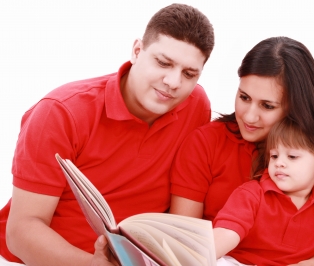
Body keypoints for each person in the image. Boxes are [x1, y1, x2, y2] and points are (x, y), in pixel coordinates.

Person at [0, 3, 214, 265]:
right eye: (163, 62)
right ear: (137, 51)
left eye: (189, 73)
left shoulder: (196, 105)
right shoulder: (61, 112)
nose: (173, 82)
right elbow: (20, 233)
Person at [169, 36, 314, 265]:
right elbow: (181, 239)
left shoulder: (313, 157)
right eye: (244, 97)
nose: (249, 116)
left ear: (295, 106)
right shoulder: (206, 142)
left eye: (267, 106)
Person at [213, 117, 314, 266]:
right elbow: (227, 233)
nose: (279, 163)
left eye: (292, 156)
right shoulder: (251, 193)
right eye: (274, 156)